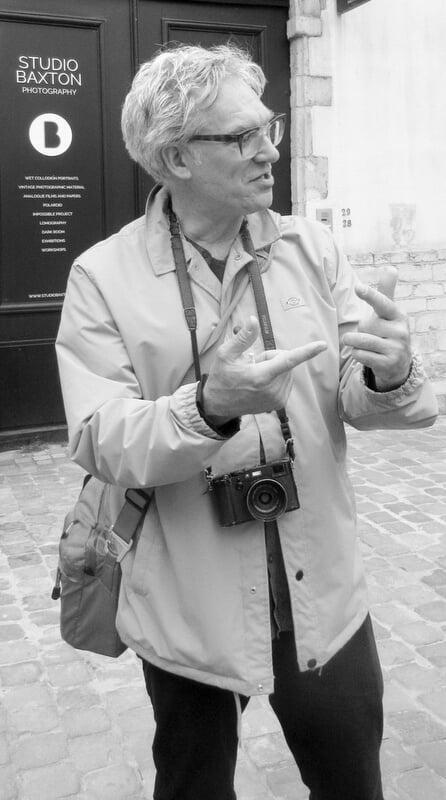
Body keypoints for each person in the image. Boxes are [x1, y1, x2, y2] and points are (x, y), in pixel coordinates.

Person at [56, 44, 438, 800]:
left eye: (271, 128)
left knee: (352, 783)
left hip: (322, 594)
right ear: (176, 157)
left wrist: (389, 372)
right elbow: (99, 437)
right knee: (193, 785)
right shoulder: (103, 276)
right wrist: (209, 407)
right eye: (242, 136)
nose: (269, 151)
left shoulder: (312, 250)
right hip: (187, 608)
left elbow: (356, 398)